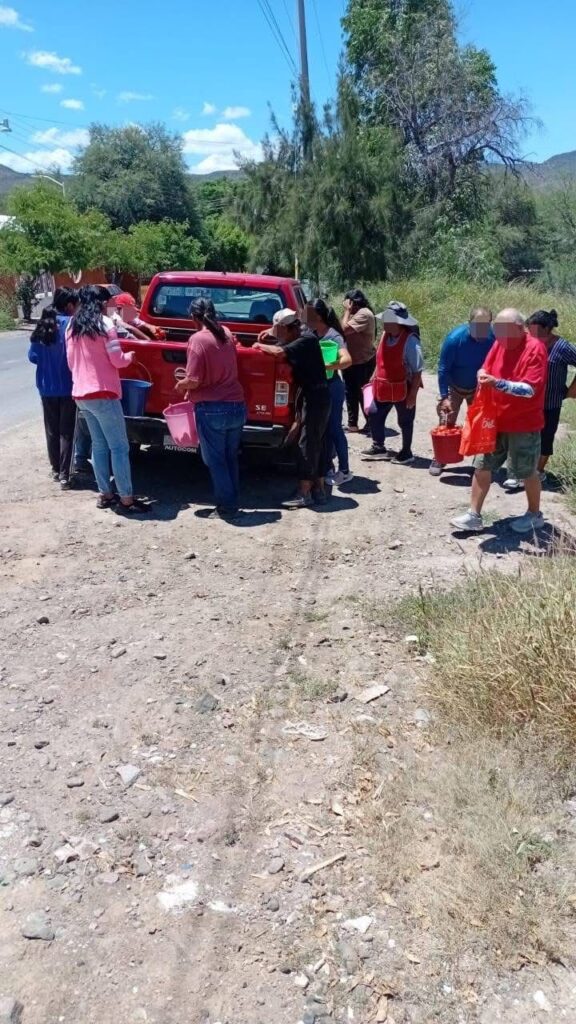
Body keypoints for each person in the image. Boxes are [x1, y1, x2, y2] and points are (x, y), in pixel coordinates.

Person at [451, 308, 548, 535]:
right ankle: (473, 515)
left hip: (523, 424)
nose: (500, 337)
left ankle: (535, 515)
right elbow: (486, 365)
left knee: (526, 471)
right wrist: (481, 374)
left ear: (519, 327)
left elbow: (529, 389)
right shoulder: (499, 344)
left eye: (504, 332)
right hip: (494, 420)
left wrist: (497, 383)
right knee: (481, 465)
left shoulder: (535, 349)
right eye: (497, 331)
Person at [66, 285, 149, 514]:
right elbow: (117, 360)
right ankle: (126, 499)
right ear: (101, 303)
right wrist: (129, 357)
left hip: (81, 394)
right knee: (120, 447)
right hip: (104, 394)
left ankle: (105, 494)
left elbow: (71, 362)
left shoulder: (72, 326)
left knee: (99, 445)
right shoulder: (106, 324)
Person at [174, 298, 247, 520]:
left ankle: (227, 508)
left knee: (215, 461)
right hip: (236, 405)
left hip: (212, 409)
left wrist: (180, 384)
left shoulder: (197, 340)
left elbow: (194, 380)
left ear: (194, 318)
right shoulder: (226, 332)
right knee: (229, 457)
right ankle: (232, 502)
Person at [253, 309, 331, 509]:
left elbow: (280, 351)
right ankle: (318, 490)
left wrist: (258, 345)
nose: (278, 336)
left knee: (308, 443)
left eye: (280, 332)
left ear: (289, 328)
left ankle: (304, 493)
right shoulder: (302, 334)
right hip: (315, 395)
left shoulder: (305, 340)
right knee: (316, 442)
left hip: (316, 397)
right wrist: (270, 335)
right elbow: (283, 343)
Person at [512, 309, 576, 484]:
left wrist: (572, 390)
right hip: (528, 402)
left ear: (547, 329)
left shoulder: (562, 347)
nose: (532, 335)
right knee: (524, 436)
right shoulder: (527, 343)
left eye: (536, 331)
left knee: (546, 437)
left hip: (551, 402)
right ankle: (521, 472)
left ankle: (538, 471)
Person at [431, 307, 495, 476]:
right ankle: (440, 458)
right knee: (446, 420)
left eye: (485, 325)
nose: (481, 329)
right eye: (477, 325)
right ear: (469, 324)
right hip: (455, 387)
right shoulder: (454, 339)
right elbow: (443, 369)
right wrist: (444, 396)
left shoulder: (493, 338)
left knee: (480, 424)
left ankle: (481, 462)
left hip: (479, 388)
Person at [362, 301, 424, 465]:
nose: (383, 323)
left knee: (405, 421)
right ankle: (378, 446)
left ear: (398, 322)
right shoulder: (384, 335)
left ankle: (406, 452)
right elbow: (380, 359)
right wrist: (373, 377)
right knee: (374, 413)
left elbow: (417, 372)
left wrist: (412, 396)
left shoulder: (411, 341)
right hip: (382, 386)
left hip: (403, 388)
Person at [29, 287, 78, 490]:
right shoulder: (71, 326)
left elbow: (32, 357)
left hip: (46, 388)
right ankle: (65, 476)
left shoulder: (43, 326)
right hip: (67, 387)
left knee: (52, 430)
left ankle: (56, 469)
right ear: (68, 305)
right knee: (66, 431)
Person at [303, 299, 353, 487]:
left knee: (334, 428)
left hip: (332, 386)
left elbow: (347, 360)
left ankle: (345, 470)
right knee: (322, 430)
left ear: (317, 316)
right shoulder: (312, 333)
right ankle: (327, 466)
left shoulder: (333, 336)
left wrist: (324, 366)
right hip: (319, 387)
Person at [341, 289, 376, 433]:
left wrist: (347, 312)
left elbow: (343, 329)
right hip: (351, 360)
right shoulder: (356, 314)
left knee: (364, 394)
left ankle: (372, 423)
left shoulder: (364, 314)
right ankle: (353, 424)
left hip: (363, 361)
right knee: (350, 392)